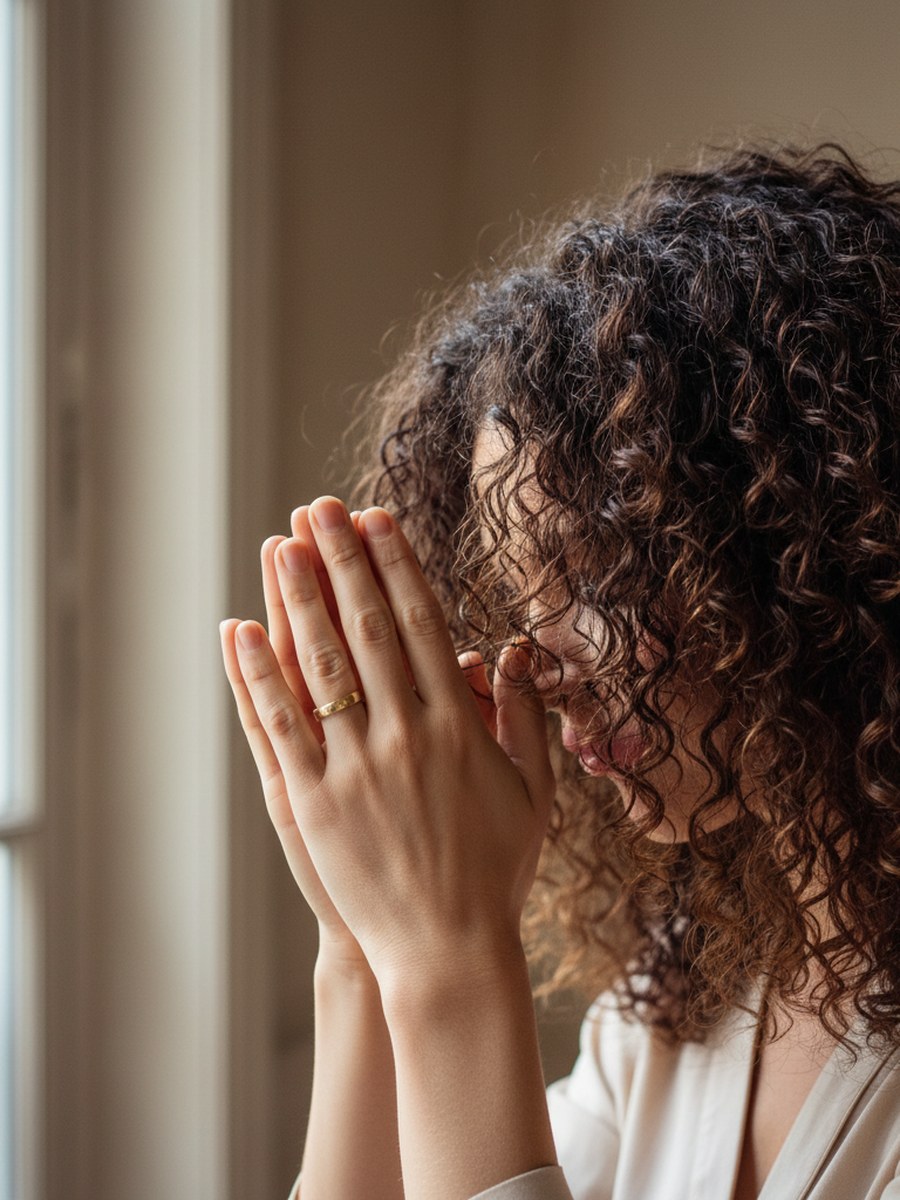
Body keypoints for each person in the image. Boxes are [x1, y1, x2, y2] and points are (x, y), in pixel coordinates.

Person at [218, 140, 900, 1199]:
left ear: (806, 549)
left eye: (596, 575)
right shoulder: (684, 996)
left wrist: (451, 959)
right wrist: (364, 943)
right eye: (516, 597)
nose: (539, 668)